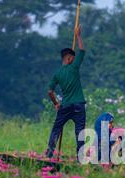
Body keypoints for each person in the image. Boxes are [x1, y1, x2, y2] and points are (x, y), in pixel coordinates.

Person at [46, 26, 86, 161]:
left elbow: (50, 91)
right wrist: (78, 35)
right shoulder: (74, 67)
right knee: (80, 131)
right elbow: (82, 50)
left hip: (65, 105)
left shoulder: (57, 74)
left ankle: (49, 154)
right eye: (73, 58)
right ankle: (80, 158)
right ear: (69, 58)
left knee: (56, 128)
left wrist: (56, 103)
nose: (74, 60)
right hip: (79, 105)